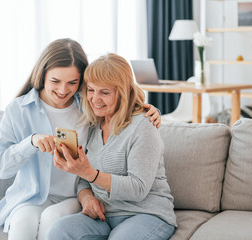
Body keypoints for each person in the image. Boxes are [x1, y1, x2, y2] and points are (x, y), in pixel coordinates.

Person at [0, 39, 161, 240]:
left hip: (73, 197)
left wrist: (151, 110)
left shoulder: (87, 107)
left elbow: (119, 104)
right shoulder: (19, 109)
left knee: (53, 221)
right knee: (22, 224)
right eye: (55, 81)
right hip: (32, 197)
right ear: (42, 75)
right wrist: (30, 142)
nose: (63, 90)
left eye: (72, 83)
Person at [47, 53, 177, 240]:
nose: (95, 99)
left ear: (123, 93)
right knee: (58, 231)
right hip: (104, 216)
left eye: (105, 92)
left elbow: (138, 189)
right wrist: (87, 198)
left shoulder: (143, 126)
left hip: (146, 214)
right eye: (91, 90)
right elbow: (84, 181)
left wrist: (91, 174)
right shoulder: (92, 126)